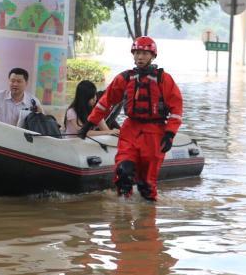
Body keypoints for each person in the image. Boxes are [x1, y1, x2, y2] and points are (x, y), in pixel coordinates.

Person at [78, 36, 183, 201]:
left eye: (144, 53)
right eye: (137, 53)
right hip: (130, 130)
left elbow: (176, 109)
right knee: (123, 171)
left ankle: (147, 221)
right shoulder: (125, 78)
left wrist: (169, 134)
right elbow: (105, 102)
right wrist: (89, 124)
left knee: (146, 186)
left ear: (153, 56)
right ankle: (121, 216)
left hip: (154, 133)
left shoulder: (164, 79)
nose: (140, 57)